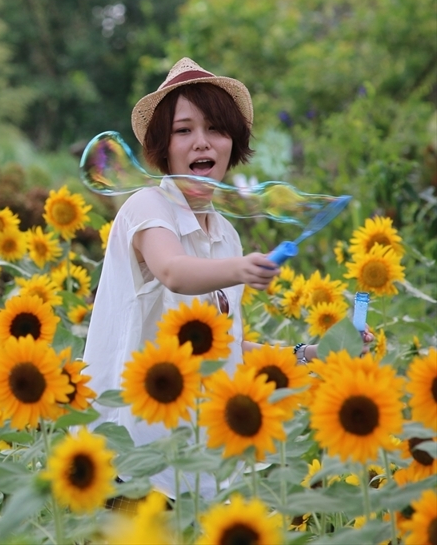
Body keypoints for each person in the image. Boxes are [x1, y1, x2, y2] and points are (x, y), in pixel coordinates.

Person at [81, 57, 366, 503]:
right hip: (132, 462)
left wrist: (308, 354)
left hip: (199, 466)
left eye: (216, 128)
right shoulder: (147, 207)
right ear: (163, 146)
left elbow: (222, 347)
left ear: (233, 143)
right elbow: (173, 271)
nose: (202, 142)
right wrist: (241, 269)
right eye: (183, 130)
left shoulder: (225, 235)